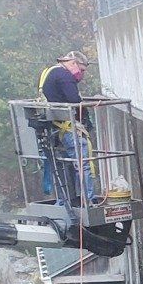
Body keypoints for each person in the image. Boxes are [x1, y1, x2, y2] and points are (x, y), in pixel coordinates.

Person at [36, 51, 96, 204]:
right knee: (83, 163)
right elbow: (74, 99)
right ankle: (88, 200)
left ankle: (64, 201)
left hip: (53, 128)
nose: (81, 74)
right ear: (73, 63)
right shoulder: (64, 76)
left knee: (62, 165)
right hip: (66, 127)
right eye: (81, 70)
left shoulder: (49, 72)